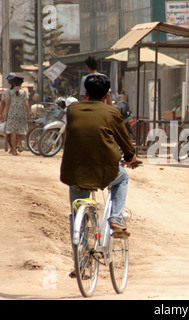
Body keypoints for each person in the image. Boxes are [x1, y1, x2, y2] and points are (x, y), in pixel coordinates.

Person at [61, 74, 137, 256]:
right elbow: (124, 141)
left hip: (74, 171)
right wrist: (130, 157)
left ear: (85, 93)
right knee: (123, 178)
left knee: (76, 210)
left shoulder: (72, 111)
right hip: (105, 171)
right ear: (106, 95)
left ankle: (80, 258)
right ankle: (116, 219)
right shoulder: (111, 112)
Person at [3, 75, 30, 156]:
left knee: (13, 132)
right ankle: (19, 143)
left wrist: (5, 114)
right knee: (21, 129)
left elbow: (7, 104)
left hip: (12, 113)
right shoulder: (24, 92)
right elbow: (26, 104)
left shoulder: (10, 92)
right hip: (22, 113)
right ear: (21, 84)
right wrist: (28, 113)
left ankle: (14, 151)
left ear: (13, 84)